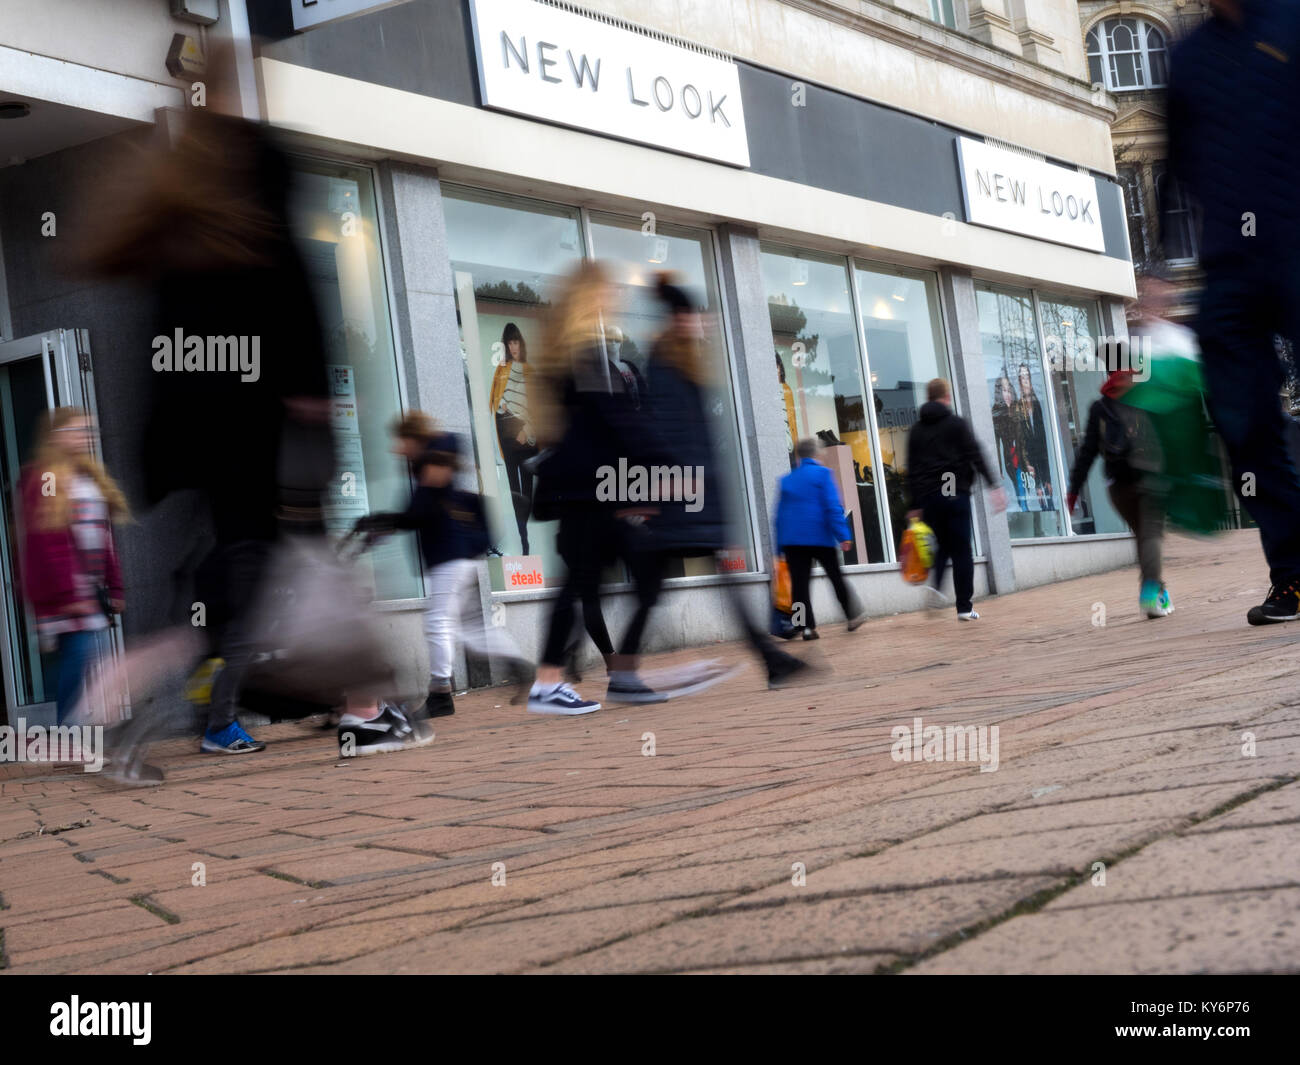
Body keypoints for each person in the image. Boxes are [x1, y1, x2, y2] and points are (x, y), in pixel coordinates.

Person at [1165, 0, 1300, 625]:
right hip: (1230, 267)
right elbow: (1173, 168)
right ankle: (1294, 577)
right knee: (1243, 421)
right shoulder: (1189, 55)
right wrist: (1158, 272)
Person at [613, 275, 813, 692]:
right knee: (656, 586)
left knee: (670, 584)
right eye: (694, 317)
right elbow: (668, 432)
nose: (701, 324)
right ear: (681, 318)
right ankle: (625, 670)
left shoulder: (681, 359)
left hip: (691, 492)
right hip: (681, 492)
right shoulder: (667, 362)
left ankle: (770, 659)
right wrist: (671, 487)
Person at [356, 412, 533, 720]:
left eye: (400, 440)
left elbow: (421, 508)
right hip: (454, 554)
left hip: (449, 556)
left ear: (412, 437)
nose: (396, 448)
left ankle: (440, 694)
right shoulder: (431, 458)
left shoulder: (436, 453)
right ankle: (520, 666)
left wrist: (389, 520)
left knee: (438, 622)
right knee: (472, 629)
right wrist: (388, 523)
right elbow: (420, 510)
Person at [525, 261, 636, 715]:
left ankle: (558, 678)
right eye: (605, 292)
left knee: (579, 582)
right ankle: (560, 679)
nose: (612, 299)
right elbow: (605, 422)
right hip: (588, 486)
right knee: (581, 583)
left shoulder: (563, 349)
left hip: (582, 487)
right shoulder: (581, 351)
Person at [19, 408, 128, 725]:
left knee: (88, 662)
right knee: (78, 659)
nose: (85, 437)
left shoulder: (88, 475)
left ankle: (81, 733)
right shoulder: (49, 478)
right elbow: (46, 535)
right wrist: (69, 593)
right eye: (77, 430)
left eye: (88, 431)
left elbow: (103, 535)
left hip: (88, 594)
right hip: (64, 594)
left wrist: (115, 585)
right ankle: (70, 733)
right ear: (56, 437)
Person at [1066, 362, 1172, 619]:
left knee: (1144, 537)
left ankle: (1158, 591)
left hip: (1118, 486)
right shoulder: (1148, 399)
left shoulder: (1099, 407)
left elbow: (1087, 452)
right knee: (1151, 536)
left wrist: (1074, 490)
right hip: (1151, 479)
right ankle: (1151, 593)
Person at [906, 378, 1006, 619]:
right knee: (961, 549)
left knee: (942, 545)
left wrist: (914, 505)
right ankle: (964, 606)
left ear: (928, 398)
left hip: (930, 497)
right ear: (946, 397)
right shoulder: (956, 424)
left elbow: (911, 468)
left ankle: (935, 585)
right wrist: (994, 485)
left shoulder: (917, 430)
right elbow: (975, 454)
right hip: (955, 493)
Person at [774, 437, 866, 639]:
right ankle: (852, 617)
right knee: (835, 577)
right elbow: (832, 507)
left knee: (799, 585)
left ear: (798, 456)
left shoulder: (786, 480)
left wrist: (779, 548)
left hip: (793, 541)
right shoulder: (823, 474)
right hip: (819, 538)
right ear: (815, 454)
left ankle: (805, 628)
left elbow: (779, 517)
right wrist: (843, 535)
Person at [490, 322, 537, 554]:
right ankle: (522, 537)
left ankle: (525, 537)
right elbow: (495, 403)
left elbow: (538, 407)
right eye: (509, 342)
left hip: (524, 433)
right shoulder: (502, 370)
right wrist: (502, 406)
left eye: (516, 341)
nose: (513, 346)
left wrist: (526, 431)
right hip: (506, 430)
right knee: (513, 487)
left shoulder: (529, 371)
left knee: (526, 486)